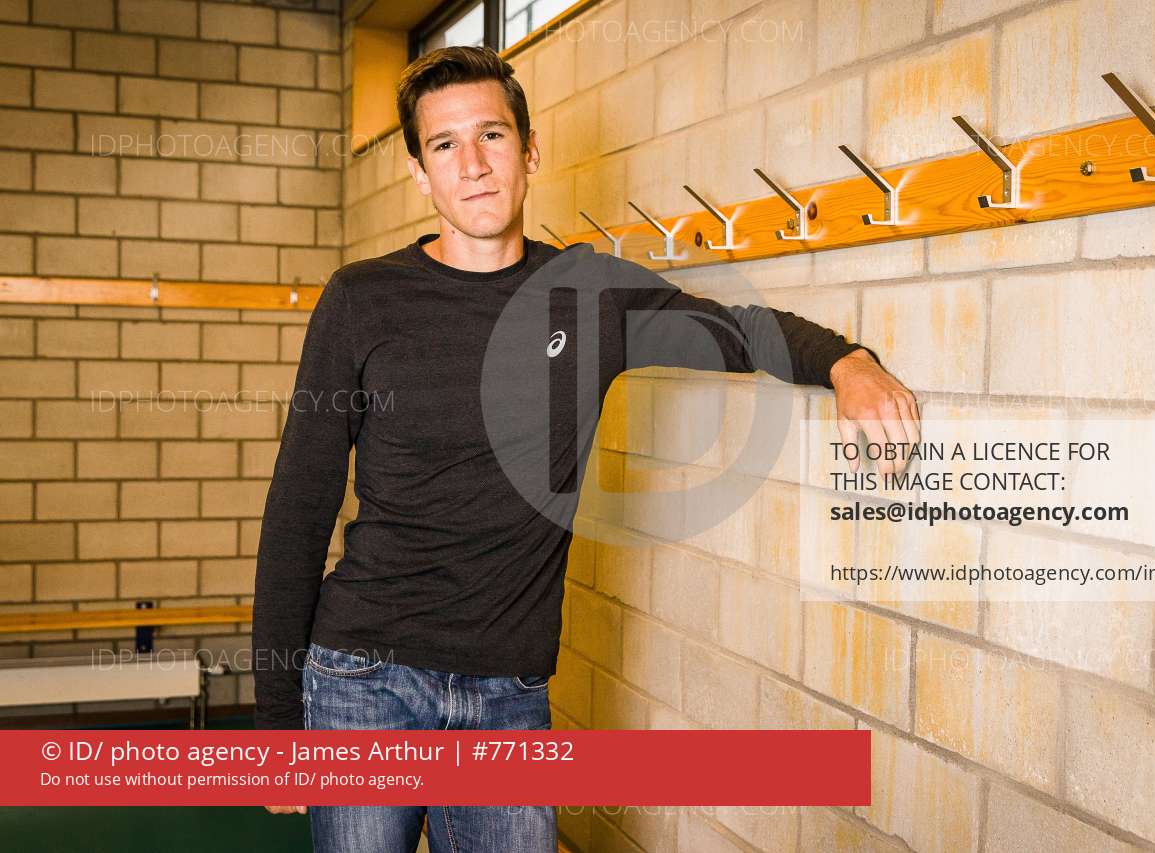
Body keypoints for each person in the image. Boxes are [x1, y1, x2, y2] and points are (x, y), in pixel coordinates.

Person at [254, 44, 919, 852]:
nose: (472, 164)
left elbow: (736, 331)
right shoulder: (361, 299)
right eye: (444, 145)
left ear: (530, 152)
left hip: (507, 693)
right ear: (419, 172)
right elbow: (298, 508)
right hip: (363, 680)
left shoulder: (588, 294)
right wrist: (277, 717)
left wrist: (847, 362)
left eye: (492, 136)